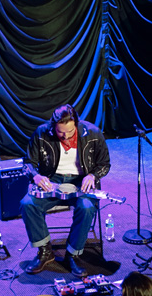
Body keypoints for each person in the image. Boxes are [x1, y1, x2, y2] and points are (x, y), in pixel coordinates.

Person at [20, 103, 111, 276]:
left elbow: (104, 164)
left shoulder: (93, 133)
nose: (66, 136)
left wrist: (93, 176)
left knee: (86, 207)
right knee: (27, 204)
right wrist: (36, 176)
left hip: (81, 179)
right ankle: (45, 252)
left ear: (76, 124)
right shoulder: (41, 133)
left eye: (70, 132)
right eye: (61, 132)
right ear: (53, 126)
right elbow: (28, 163)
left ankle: (73, 254)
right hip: (52, 179)